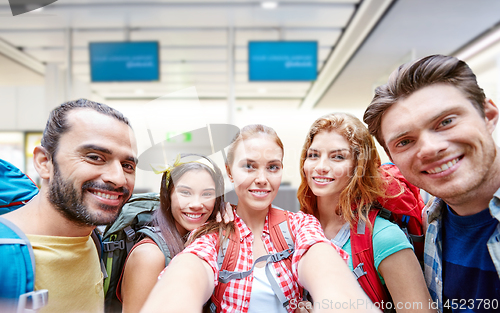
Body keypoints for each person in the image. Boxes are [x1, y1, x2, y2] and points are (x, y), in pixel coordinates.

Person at [140, 124, 380, 313]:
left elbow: (323, 264)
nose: (262, 178)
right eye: (249, 166)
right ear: (230, 172)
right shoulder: (213, 232)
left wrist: (337, 298)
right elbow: (191, 267)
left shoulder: (300, 225)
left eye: (273, 167)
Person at [363, 54, 500, 312]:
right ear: (392, 160)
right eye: (404, 141)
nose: (429, 149)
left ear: (489, 115)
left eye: (446, 122)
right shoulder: (431, 223)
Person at [1, 99, 138, 313]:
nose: (119, 179)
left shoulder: (94, 238)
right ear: (45, 162)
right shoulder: (5, 254)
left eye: (127, 165)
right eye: (95, 157)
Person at [298, 112, 433, 312]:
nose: (321, 166)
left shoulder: (383, 236)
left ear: (358, 167)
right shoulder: (296, 228)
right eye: (313, 155)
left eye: (337, 157)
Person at [119, 155, 228, 313]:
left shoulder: (206, 239)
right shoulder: (149, 255)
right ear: (167, 196)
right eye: (185, 192)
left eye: (207, 194)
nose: (196, 204)